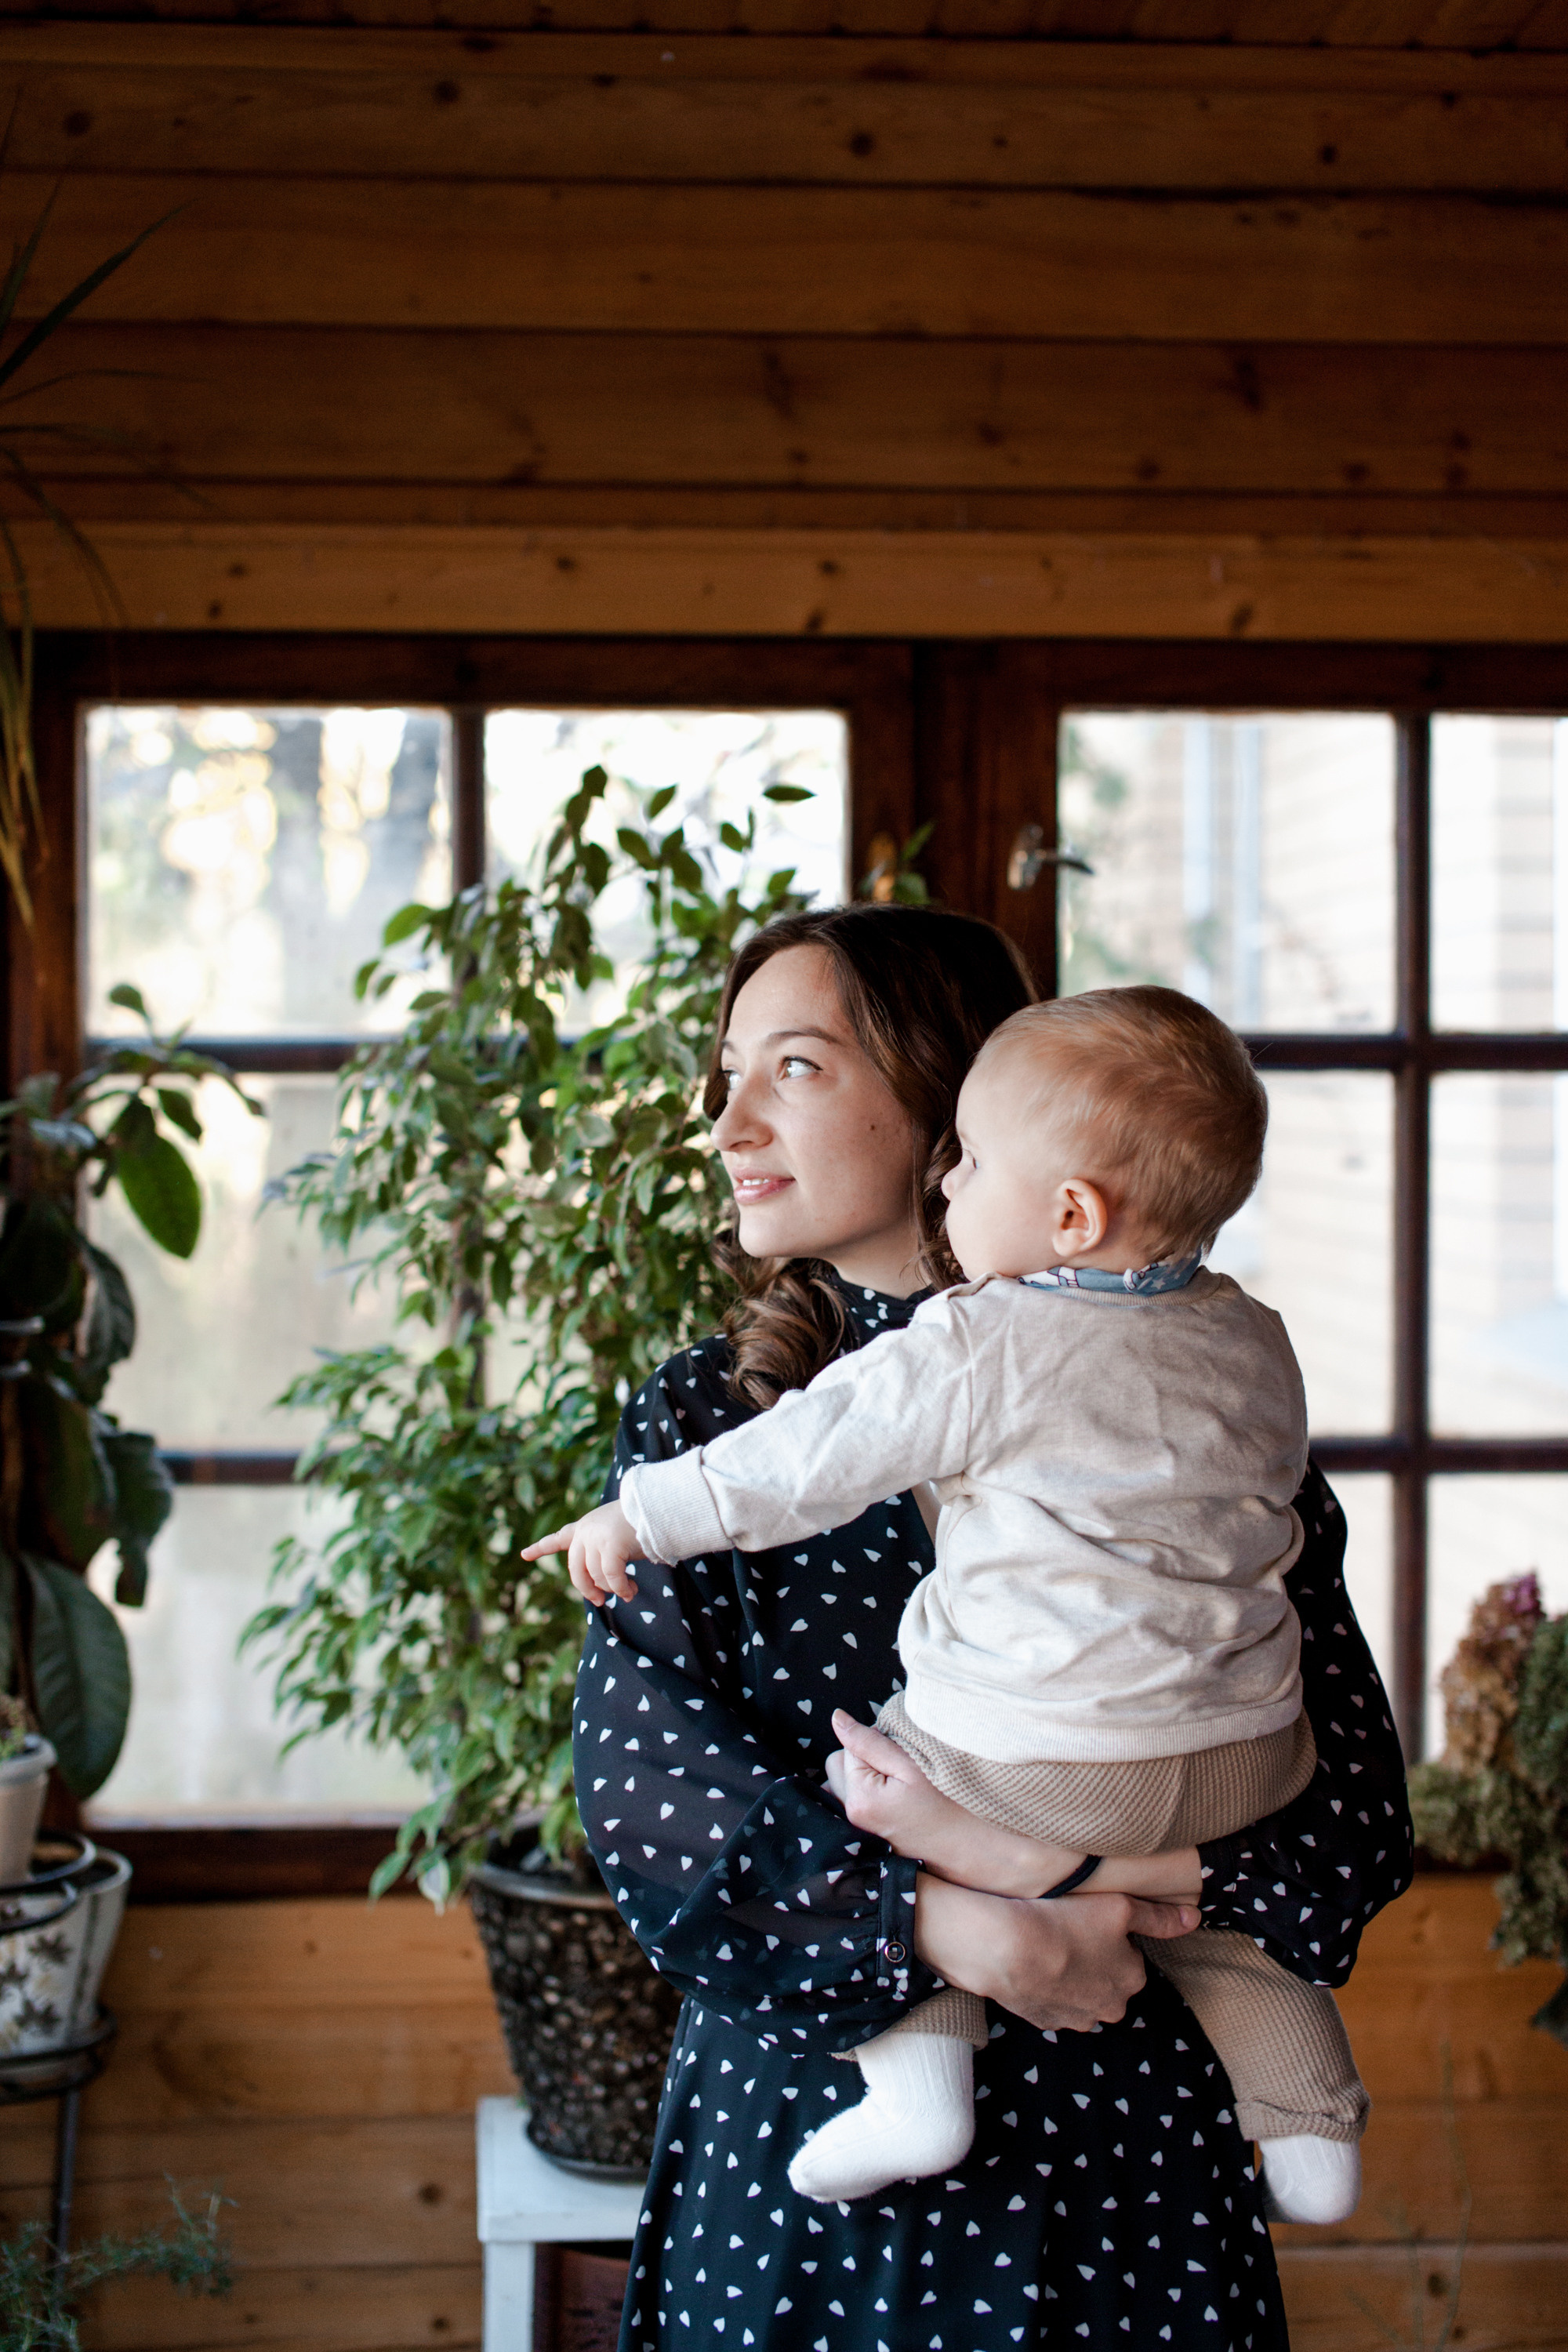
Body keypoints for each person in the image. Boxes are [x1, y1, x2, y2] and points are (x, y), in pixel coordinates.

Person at [568, 903, 1414, 2352]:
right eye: (729, 1072)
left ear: (950, 1099)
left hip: (1122, 2187)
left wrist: (1056, 1864)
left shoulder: (1198, 1391)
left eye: (799, 1068)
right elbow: (651, 1802)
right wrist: (952, 1925)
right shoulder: (708, 1433)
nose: (729, 1123)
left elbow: (1346, 1818)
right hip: (810, 2170)